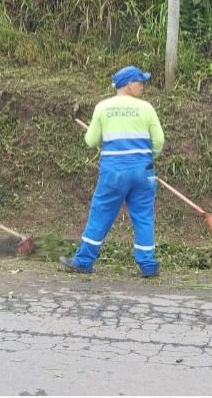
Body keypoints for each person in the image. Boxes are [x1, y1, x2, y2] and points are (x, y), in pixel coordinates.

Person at [60, 65, 165, 277]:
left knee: (100, 215)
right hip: (143, 171)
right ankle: (147, 265)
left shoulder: (103, 107)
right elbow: (159, 141)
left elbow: (91, 141)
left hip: (113, 172)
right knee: (144, 217)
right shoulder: (146, 108)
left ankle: (84, 261)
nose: (143, 86)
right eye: (140, 82)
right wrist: (147, 158)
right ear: (127, 84)